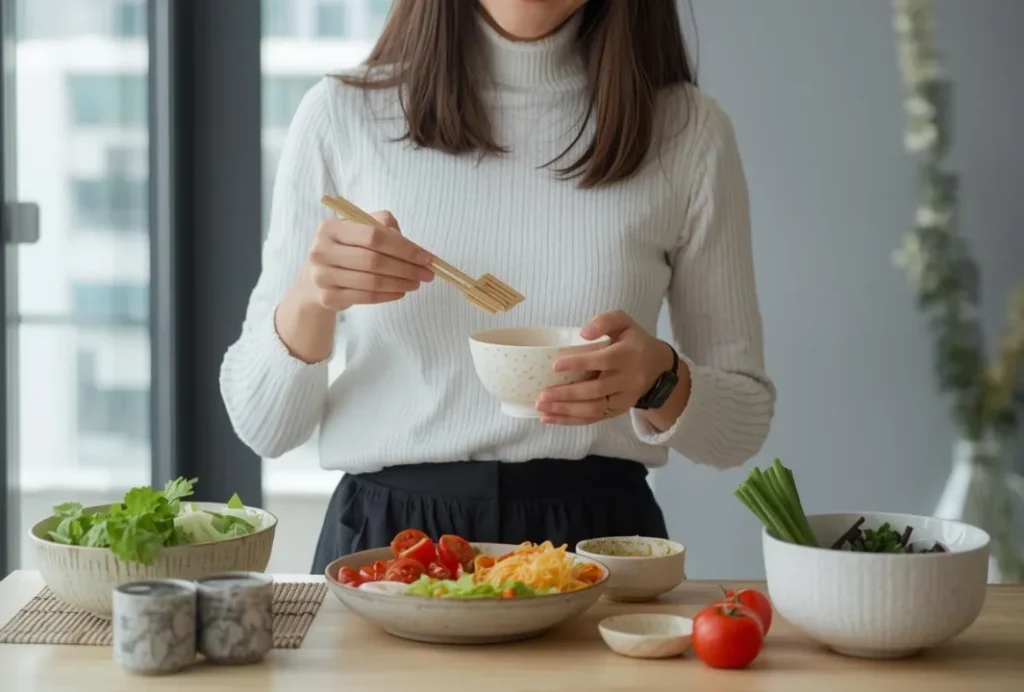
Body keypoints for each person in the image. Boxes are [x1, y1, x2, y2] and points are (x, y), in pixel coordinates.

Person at [220, 0, 776, 575]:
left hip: (598, 548)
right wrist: (313, 296)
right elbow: (265, 423)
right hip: (390, 550)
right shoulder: (339, 116)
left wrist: (657, 379)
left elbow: (741, 425)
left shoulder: (688, 130)